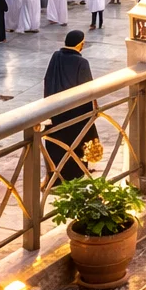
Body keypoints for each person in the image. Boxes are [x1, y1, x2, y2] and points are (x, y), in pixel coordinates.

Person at [43, 30, 98, 183]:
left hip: (55, 110)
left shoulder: (55, 57)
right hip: (75, 113)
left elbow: (47, 79)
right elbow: (89, 89)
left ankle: (56, 176)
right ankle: (76, 174)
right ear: (81, 44)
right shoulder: (82, 63)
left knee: (57, 144)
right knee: (76, 142)